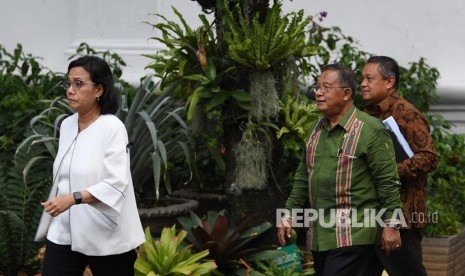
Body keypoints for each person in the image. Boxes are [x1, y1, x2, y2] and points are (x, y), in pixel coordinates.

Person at [278, 63, 403, 276]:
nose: (318, 93)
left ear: (346, 93)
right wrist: (289, 213)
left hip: (356, 236)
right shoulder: (317, 129)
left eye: (326, 88)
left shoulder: (370, 130)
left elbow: (388, 182)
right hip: (320, 236)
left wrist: (392, 225)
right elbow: (303, 176)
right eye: (317, 87)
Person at [34, 55, 144, 275]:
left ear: (99, 90)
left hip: (105, 234)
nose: (70, 90)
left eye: (79, 84)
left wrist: (73, 198)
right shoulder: (66, 125)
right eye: (69, 83)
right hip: (64, 230)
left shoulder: (112, 127)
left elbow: (116, 183)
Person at [361, 56, 438, 276]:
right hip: (370, 214)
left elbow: (429, 157)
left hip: (403, 215)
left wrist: (391, 171)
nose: (363, 84)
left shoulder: (407, 113)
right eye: (362, 79)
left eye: (369, 78)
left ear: (389, 82)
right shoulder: (366, 114)